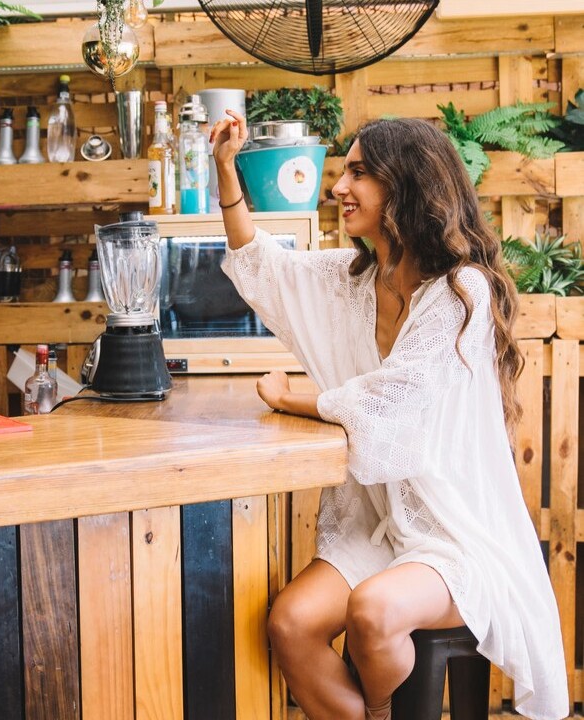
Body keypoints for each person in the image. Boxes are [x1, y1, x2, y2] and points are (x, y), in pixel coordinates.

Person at [210, 112, 568, 720]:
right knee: (291, 622)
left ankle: (379, 710)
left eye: (358, 173)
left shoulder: (462, 291)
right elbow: (261, 265)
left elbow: (391, 405)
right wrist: (225, 170)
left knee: (372, 611)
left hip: (453, 532)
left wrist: (289, 397)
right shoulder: (350, 280)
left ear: (406, 186)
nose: (338, 187)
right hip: (377, 524)